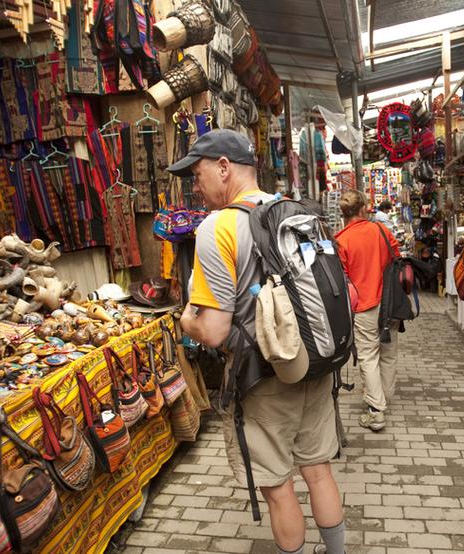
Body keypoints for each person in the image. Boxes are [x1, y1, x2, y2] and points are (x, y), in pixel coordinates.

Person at [170, 130, 346, 554]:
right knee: (318, 469)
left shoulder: (218, 226)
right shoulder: (295, 210)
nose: (196, 186)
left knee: (277, 485)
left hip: (263, 376)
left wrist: (185, 322)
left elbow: (212, 331)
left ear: (224, 168)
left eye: (198, 174)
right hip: (314, 359)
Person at [335, 189, 400, 431]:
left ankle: (376, 409)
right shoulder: (382, 230)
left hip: (363, 307)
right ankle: (383, 398)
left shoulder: (341, 240)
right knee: (389, 352)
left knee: (369, 355)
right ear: (363, 208)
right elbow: (396, 258)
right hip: (390, 303)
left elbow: (342, 280)